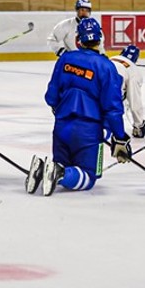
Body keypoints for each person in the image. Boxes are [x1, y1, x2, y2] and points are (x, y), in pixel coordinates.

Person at [30, 17, 130, 196]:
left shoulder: (65, 59)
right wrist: (120, 137)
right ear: (99, 39)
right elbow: (113, 108)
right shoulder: (106, 66)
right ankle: (58, 173)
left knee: (64, 165)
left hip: (62, 126)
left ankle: (47, 169)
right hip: (88, 130)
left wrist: (58, 108)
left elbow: (51, 95)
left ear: (79, 39)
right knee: (89, 176)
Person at [110, 44, 145, 139]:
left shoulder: (110, 59)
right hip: (110, 99)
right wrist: (139, 125)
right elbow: (135, 101)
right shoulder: (134, 71)